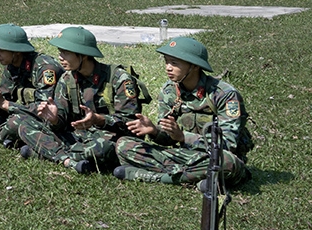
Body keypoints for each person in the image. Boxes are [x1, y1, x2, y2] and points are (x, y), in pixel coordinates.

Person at [116, 37, 252, 186]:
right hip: (184, 156)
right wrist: (154, 131)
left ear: (194, 66)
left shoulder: (224, 94)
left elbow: (227, 144)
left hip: (214, 156)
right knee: (123, 145)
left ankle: (160, 177)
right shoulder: (169, 91)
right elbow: (168, 138)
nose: (168, 67)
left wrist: (183, 137)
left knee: (226, 163)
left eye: (174, 63)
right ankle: (197, 178)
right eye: (167, 61)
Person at [13, 26, 143, 173]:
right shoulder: (67, 79)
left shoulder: (118, 79)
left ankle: (47, 151)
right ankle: (69, 161)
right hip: (78, 136)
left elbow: (130, 122)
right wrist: (55, 118)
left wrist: (98, 119)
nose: (60, 57)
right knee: (25, 125)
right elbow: (62, 121)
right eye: (60, 52)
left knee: (102, 147)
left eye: (66, 52)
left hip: (107, 137)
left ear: (84, 55)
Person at [0, 23, 62, 148]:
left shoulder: (46, 69)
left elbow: (45, 110)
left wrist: (4, 104)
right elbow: (5, 96)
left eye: (1, 50)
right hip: (26, 111)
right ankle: (9, 136)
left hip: (52, 118)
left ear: (17, 52)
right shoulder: (11, 65)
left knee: (16, 121)